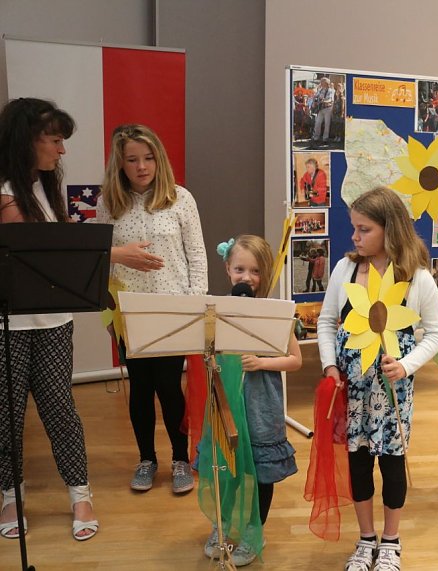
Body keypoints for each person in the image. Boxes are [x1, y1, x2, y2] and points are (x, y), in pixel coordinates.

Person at [317, 187, 438, 571]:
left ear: (390, 230)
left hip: (392, 393)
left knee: (392, 465)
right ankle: (365, 537)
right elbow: (326, 322)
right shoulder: (344, 269)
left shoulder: (417, 278)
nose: (354, 237)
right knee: (357, 465)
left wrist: (406, 365)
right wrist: (330, 366)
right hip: (351, 391)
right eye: (354, 228)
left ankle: (390, 540)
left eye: (363, 229)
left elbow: (436, 334)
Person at [0, 97, 99, 541]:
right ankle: (9, 495)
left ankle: (80, 493)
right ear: (27, 139)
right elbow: (36, 249)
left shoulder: (46, 186)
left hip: (54, 320)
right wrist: (113, 253)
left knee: (60, 408)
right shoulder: (4, 191)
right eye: (55, 140)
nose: (62, 150)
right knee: (7, 415)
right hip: (7, 324)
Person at [95, 123, 208, 495]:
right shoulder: (108, 203)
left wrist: (196, 304)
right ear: (120, 164)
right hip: (130, 311)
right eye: (132, 160)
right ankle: (146, 459)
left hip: (173, 311)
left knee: (169, 387)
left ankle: (179, 458)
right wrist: (109, 313)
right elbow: (103, 261)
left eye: (148, 158)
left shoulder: (180, 198)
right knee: (140, 388)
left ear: (158, 159)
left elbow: (196, 256)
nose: (142, 166)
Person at [201, 235, 303, 566]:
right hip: (227, 399)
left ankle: (251, 533)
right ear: (228, 269)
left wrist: (262, 362)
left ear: (266, 274)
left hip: (261, 406)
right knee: (225, 467)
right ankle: (222, 524)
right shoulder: (216, 312)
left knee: (259, 472)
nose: (247, 278)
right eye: (240, 269)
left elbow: (295, 360)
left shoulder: (275, 314)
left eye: (255, 271)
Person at [311, 77, 334, 146]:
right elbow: (315, 96)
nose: (320, 83)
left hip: (328, 109)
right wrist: (314, 101)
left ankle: (325, 139)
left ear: (326, 83)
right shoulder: (320, 90)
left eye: (322, 82)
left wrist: (323, 101)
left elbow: (330, 100)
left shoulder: (331, 90)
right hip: (320, 109)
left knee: (327, 124)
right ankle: (316, 138)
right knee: (317, 123)